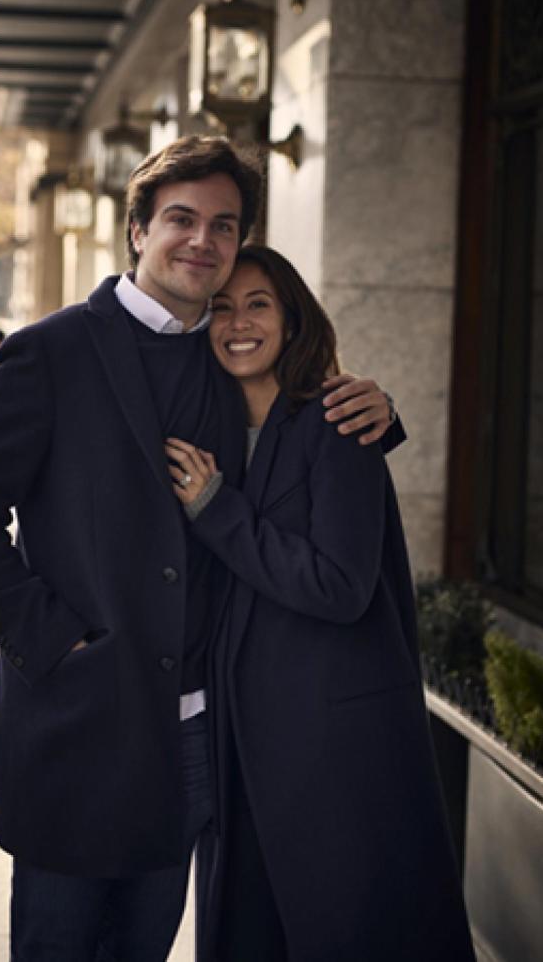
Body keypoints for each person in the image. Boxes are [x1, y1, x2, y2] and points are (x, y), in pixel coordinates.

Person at [0, 136, 395, 962]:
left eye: (223, 225)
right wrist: (55, 638)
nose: (202, 241)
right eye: (181, 219)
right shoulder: (49, 352)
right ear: (137, 230)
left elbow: (302, 436)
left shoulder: (233, 356)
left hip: (194, 738)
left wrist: (376, 408)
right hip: (77, 722)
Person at [165, 245, 476, 962]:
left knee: (343, 926)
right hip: (239, 733)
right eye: (220, 307)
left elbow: (339, 585)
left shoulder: (338, 421)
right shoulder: (208, 429)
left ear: (293, 319)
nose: (237, 322)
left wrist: (216, 511)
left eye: (258, 304)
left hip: (326, 740)